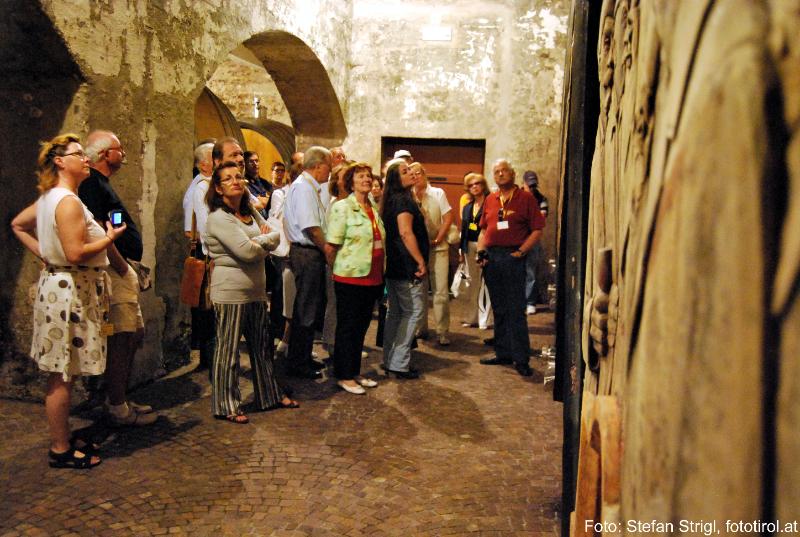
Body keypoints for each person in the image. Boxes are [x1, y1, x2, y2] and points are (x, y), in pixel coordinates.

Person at [11, 133, 127, 468]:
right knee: (61, 373)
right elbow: (76, 252)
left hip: (61, 286)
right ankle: (60, 449)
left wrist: (46, 254)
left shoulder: (51, 197)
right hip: (70, 293)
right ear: (60, 161)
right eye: (79, 154)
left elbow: (18, 225)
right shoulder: (67, 201)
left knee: (65, 368)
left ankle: (62, 436)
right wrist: (108, 237)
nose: (86, 159)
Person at [204, 161, 298, 423]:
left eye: (239, 177)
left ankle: (269, 395)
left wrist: (260, 241)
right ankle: (227, 404)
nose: (236, 181)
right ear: (218, 188)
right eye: (228, 178)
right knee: (228, 351)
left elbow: (276, 235)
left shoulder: (249, 213)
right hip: (230, 292)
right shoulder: (218, 218)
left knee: (262, 348)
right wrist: (262, 241)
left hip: (256, 291)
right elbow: (246, 252)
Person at [80, 130, 157, 426]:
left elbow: (112, 220)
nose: (123, 153)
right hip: (116, 269)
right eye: (118, 148)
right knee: (122, 336)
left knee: (131, 333)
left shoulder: (101, 184)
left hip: (121, 266)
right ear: (104, 154)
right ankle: (116, 406)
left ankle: (118, 397)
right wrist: (123, 266)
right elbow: (99, 228)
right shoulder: (90, 184)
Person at [477, 159, 545, 377]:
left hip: (514, 256)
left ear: (513, 174)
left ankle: (521, 358)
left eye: (504, 171)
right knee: (499, 308)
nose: (500, 174)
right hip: (492, 258)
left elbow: (537, 230)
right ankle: (503, 352)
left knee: (516, 309)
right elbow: (483, 230)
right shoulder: (490, 199)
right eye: (496, 172)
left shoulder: (525, 198)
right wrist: (481, 252)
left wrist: (522, 251)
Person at [325, 162, 385, 394]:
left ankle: (355, 371)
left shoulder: (371, 206)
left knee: (361, 328)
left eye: (369, 176)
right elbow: (331, 246)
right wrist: (339, 269)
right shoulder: (342, 207)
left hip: (372, 276)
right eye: (361, 176)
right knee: (348, 328)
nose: (367, 180)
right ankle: (343, 375)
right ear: (350, 182)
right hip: (350, 277)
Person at [283, 146, 332, 379]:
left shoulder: (307, 187)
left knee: (308, 306)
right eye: (328, 167)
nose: (329, 173)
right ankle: (297, 362)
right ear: (319, 165)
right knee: (306, 308)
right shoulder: (304, 188)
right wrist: (327, 250)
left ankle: (302, 356)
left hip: (306, 252)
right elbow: (311, 227)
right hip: (307, 253)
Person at [381, 159, 429, 379]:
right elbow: (405, 233)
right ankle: (399, 363)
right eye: (404, 171)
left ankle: (389, 358)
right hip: (406, 265)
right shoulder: (403, 201)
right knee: (412, 313)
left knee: (396, 313)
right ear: (395, 179)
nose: (411, 173)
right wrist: (420, 260)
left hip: (394, 264)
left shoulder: (391, 200)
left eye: (409, 169)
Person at [410, 162, 454, 345]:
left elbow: (448, 217)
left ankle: (442, 331)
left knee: (440, 292)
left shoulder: (437, 193)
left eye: (418, 173)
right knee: (419, 291)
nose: (415, 176)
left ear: (424, 174)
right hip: (418, 250)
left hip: (438, 248)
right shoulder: (409, 196)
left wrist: (437, 239)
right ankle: (421, 328)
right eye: (411, 173)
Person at [459, 173, 490, 328]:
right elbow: (464, 229)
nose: (474, 187)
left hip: (486, 247)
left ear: (483, 185)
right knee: (473, 283)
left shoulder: (491, 203)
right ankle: (472, 318)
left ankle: (484, 319)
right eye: (471, 185)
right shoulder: (467, 208)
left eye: (477, 183)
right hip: (469, 246)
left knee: (486, 283)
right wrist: (461, 250)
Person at [521, 170, 549, 314]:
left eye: (533, 186)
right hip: (515, 239)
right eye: (529, 186)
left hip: (532, 240)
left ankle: (530, 302)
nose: (531, 189)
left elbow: (541, 219)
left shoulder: (541, 199)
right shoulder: (516, 196)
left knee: (530, 272)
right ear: (523, 184)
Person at [184, 142, 214, 238]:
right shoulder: (197, 189)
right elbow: (189, 232)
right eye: (215, 158)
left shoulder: (213, 182)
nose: (221, 161)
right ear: (203, 165)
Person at [243, 151, 273, 215]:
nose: (255, 163)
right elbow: (260, 203)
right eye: (251, 161)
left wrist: (266, 199)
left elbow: (274, 199)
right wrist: (267, 198)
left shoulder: (264, 182)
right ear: (245, 163)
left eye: (256, 161)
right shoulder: (245, 183)